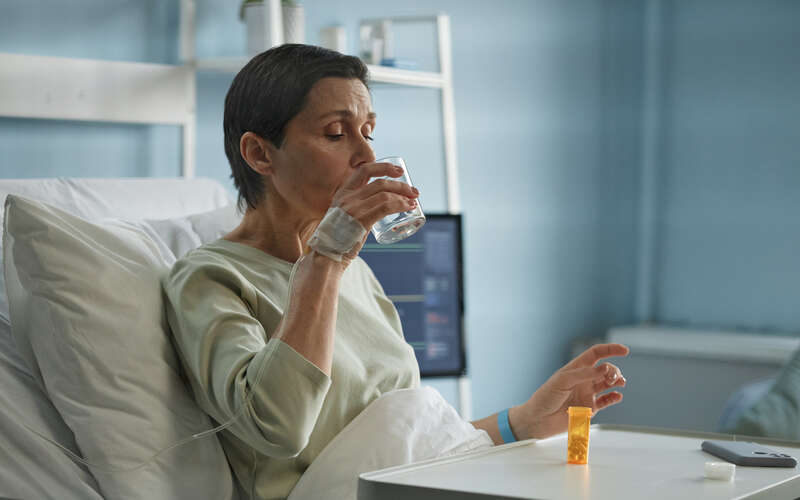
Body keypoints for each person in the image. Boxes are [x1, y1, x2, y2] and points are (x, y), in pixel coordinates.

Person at [162, 44, 629, 500]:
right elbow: (278, 428)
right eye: (335, 133)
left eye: (368, 131)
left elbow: (411, 444)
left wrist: (521, 422)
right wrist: (325, 261)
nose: (366, 156)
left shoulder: (357, 272)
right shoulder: (212, 279)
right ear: (260, 154)